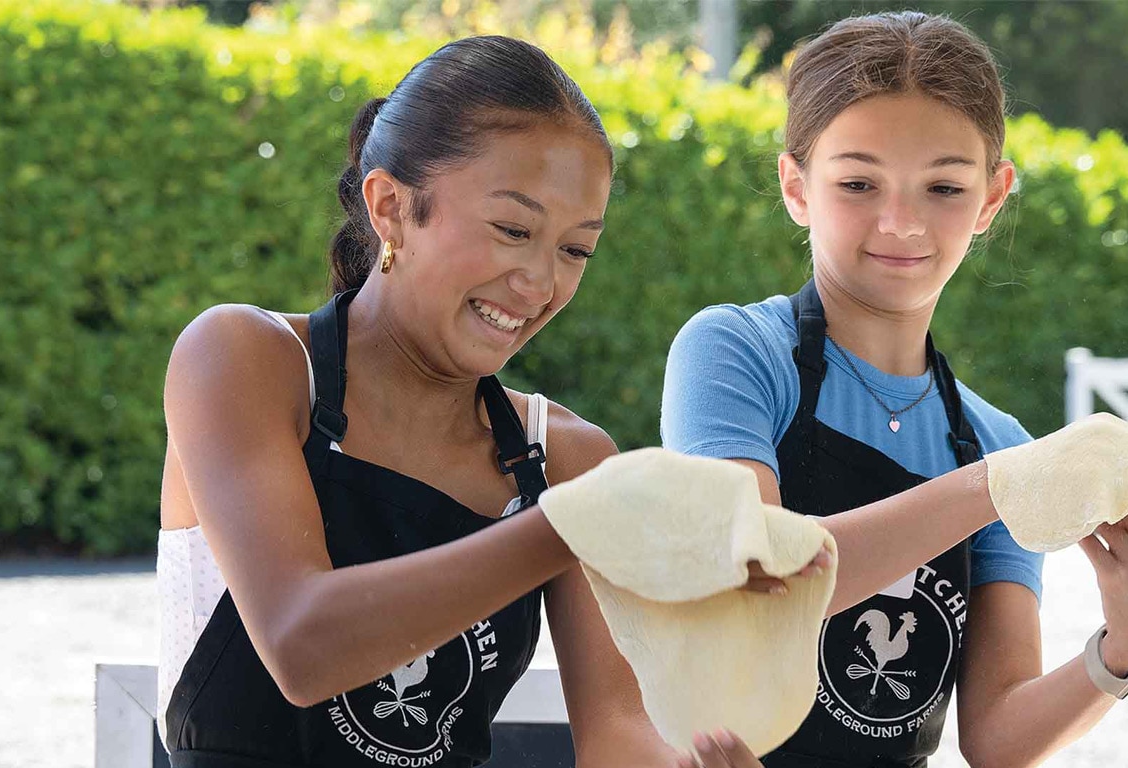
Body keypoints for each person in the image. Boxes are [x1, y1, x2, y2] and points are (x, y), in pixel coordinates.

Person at [154, 34, 758, 767]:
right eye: (513, 230)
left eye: (576, 250)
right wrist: (572, 526)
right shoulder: (246, 360)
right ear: (391, 208)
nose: (541, 285)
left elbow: (618, 731)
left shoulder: (568, 457)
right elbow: (301, 646)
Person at [662, 12, 1128, 768]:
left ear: (992, 198)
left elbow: (1000, 739)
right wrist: (997, 487)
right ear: (795, 186)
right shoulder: (737, 352)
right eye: (857, 182)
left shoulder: (995, 443)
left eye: (943, 186)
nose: (900, 222)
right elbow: (755, 587)